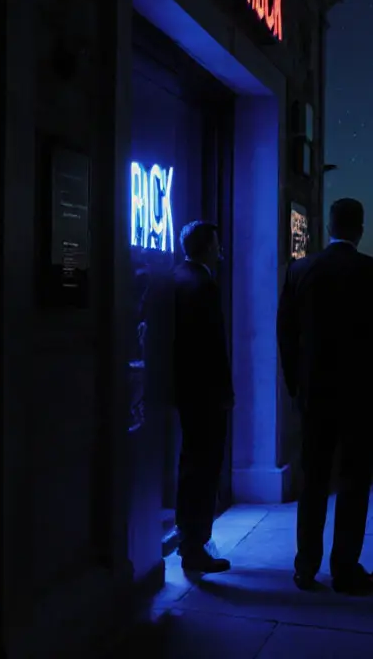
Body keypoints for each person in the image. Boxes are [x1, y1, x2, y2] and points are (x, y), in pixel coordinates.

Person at [277, 198, 373, 594]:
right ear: (360, 228)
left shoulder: (300, 270)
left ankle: (305, 567)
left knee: (313, 480)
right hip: (361, 395)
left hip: (315, 394)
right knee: (353, 481)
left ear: (328, 226)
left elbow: (286, 334)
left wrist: (296, 386)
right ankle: (345, 568)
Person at [171, 221, 235, 573]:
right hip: (207, 394)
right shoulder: (205, 285)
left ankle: (187, 538)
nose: (220, 249)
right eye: (216, 243)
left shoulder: (176, 279)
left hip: (185, 391)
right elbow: (214, 347)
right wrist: (225, 392)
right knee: (206, 467)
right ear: (208, 247)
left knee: (189, 464)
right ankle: (196, 545)